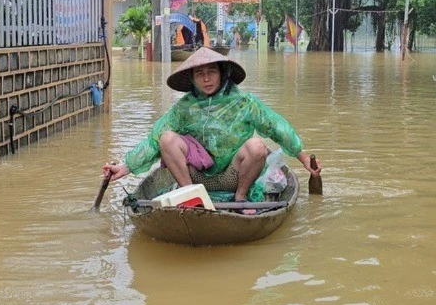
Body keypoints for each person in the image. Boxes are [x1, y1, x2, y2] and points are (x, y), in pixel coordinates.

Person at [102, 47, 322, 210]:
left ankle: (240, 199)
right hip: (197, 176)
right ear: (193, 79)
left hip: (233, 176)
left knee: (257, 147)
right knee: (167, 138)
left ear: (222, 73)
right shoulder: (184, 108)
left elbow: (277, 127)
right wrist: (126, 167)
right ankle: (190, 196)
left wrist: (302, 158)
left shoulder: (244, 102)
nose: (206, 78)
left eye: (211, 72)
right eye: (199, 74)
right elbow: (153, 140)